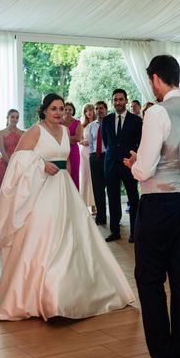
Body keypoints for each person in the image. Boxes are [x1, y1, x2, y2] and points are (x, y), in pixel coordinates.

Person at [0, 93, 135, 321]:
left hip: (64, 186)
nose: (59, 113)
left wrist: (72, 187)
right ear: (44, 111)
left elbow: (66, 161)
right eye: (54, 109)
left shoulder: (66, 131)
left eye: (61, 109)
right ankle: (46, 297)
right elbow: (18, 161)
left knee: (73, 238)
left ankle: (70, 293)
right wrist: (40, 164)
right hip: (42, 189)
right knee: (46, 237)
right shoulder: (35, 131)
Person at [123, 55, 180, 358]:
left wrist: (133, 163)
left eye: (151, 81)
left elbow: (144, 169)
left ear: (157, 79)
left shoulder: (157, 112)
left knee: (150, 279)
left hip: (160, 205)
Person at [101, 89, 142, 243]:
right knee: (112, 197)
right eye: (115, 100)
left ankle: (135, 231)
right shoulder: (106, 120)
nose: (118, 102)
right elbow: (107, 142)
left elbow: (140, 143)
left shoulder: (136, 120)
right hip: (111, 163)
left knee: (133, 197)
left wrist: (133, 158)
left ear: (126, 100)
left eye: (120, 99)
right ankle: (115, 231)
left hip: (129, 164)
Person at [88, 101, 108, 226]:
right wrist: (91, 156)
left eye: (101, 108)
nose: (98, 110)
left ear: (106, 109)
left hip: (108, 157)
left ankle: (116, 217)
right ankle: (101, 216)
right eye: (96, 108)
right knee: (97, 188)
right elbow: (91, 143)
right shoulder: (92, 125)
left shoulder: (111, 123)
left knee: (111, 187)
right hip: (95, 157)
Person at [0, 109, 24, 191]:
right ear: (7, 118)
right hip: (4, 165)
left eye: (17, 117)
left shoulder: (23, 133)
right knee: (3, 191)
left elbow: (23, 151)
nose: (15, 119)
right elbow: (2, 151)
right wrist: (11, 164)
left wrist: (16, 165)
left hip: (18, 165)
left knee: (16, 191)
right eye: (12, 117)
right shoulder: (1, 133)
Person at [79, 103, 96, 214]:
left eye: (90, 110)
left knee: (94, 179)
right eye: (86, 110)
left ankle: (94, 205)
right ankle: (83, 204)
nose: (89, 112)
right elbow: (78, 139)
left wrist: (89, 142)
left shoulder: (97, 124)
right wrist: (82, 141)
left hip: (93, 153)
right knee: (84, 178)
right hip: (83, 153)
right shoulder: (82, 125)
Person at [62, 102, 82, 189]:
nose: (67, 111)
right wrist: (71, 138)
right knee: (62, 174)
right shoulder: (58, 122)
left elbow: (78, 138)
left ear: (73, 111)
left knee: (74, 174)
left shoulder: (77, 122)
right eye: (65, 109)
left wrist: (61, 138)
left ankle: (75, 200)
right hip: (61, 151)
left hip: (73, 151)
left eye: (70, 109)